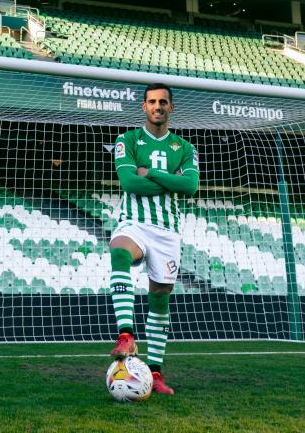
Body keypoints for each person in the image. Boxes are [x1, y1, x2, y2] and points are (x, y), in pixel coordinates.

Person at [107, 82, 199, 396]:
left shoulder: (185, 148)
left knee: (160, 299)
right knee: (119, 252)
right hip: (134, 223)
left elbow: (190, 187)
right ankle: (126, 335)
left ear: (171, 107)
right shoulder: (127, 140)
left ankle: (156, 373)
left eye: (162, 102)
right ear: (144, 107)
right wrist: (172, 180)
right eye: (152, 102)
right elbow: (130, 183)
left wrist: (152, 174)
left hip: (167, 231)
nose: (157, 106)